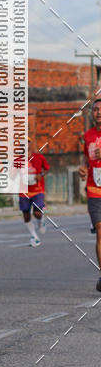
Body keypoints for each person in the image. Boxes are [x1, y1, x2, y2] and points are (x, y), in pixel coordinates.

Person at [78, 97, 101, 292]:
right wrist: (83, 169)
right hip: (94, 189)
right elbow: (87, 158)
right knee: (100, 232)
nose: (99, 112)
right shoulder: (88, 136)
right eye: (95, 110)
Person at [18, 138, 50, 247]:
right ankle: (34, 237)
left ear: (30, 144)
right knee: (26, 215)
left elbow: (46, 169)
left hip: (37, 190)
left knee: (36, 213)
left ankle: (41, 220)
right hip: (23, 192)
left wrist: (40, 175)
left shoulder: (38, 157)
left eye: (26, 142)